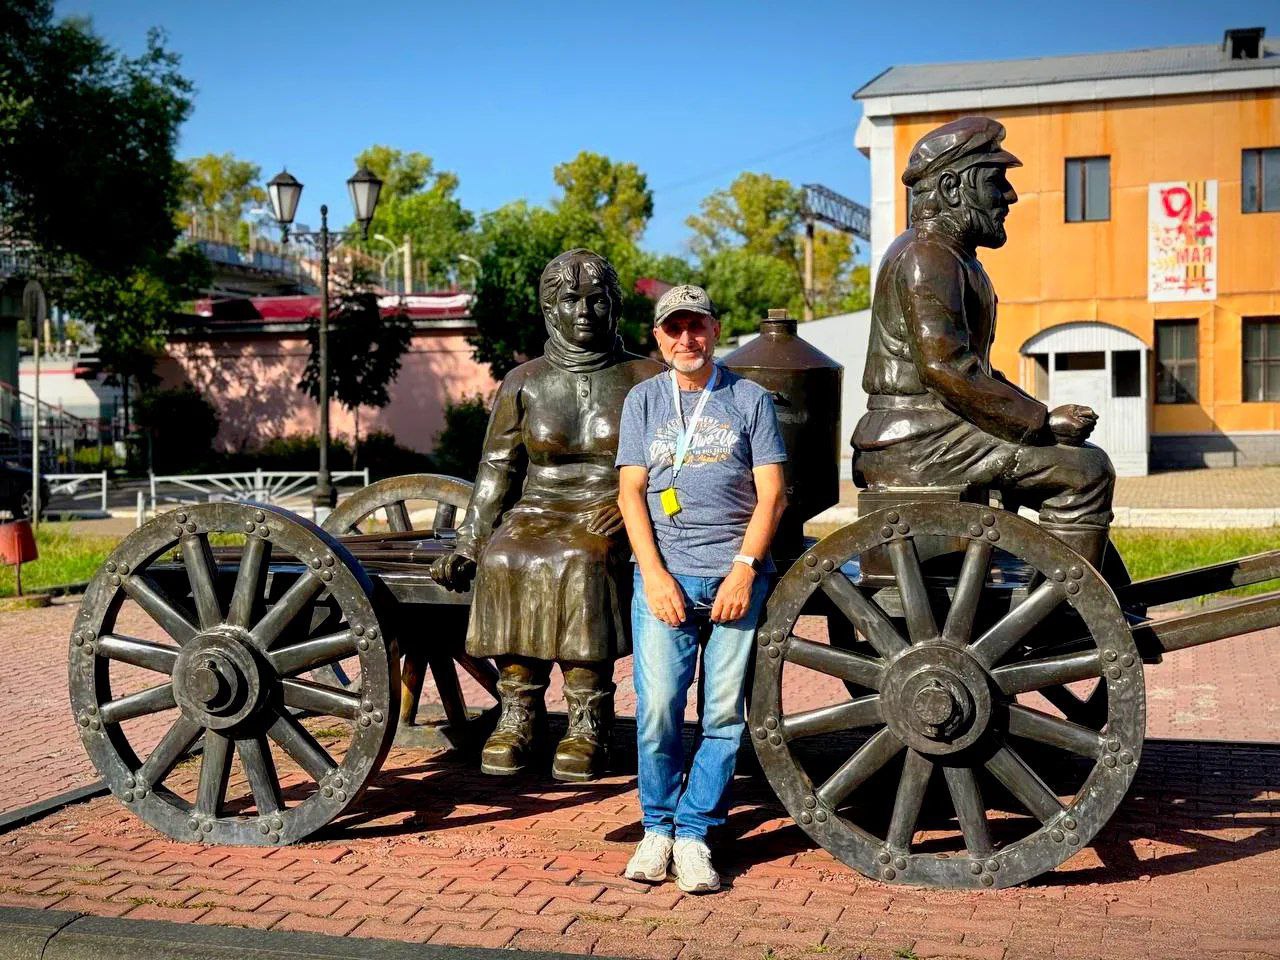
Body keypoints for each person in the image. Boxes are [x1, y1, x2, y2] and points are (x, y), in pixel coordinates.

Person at [432, 249, 662, 781]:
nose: (584, 312)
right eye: (570, 300)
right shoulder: (524, 381)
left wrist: (631, 506)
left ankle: (588, 720)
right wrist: (470, 542)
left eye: (597, 300)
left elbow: (673, 460)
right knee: (505, 558)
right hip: (537, 508)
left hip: (612, 509)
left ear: (614, 307)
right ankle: (519, 712)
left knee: (583, 558)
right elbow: (497, 468)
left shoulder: (646, 376)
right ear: (549, 309)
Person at [852, 116, 1116, 568]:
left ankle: (1059, 586)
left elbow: (976, 371)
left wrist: (1040, 416)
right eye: (996, 181)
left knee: (1080, 462)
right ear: (952, 188)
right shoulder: (927, 256)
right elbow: (946, 370)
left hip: (934, 429)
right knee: (1086, 472)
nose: (1009, 197)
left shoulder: (953, 258)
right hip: (919, 439)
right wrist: (1041, 422)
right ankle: (1066, 600)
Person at [615, 284, 787, 893]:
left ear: (715, 331)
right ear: (658, 338)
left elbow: (772, 494)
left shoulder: (749, 398)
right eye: (674, 329)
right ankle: (656, 827)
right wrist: (654, 575)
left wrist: (745, 568)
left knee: (723, 715)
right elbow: (631, 492)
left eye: (697, 327)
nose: (686, 339)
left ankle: (694, 834)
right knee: (658, 708)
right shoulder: (643, 401)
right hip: (666, 576)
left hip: (734, 575)